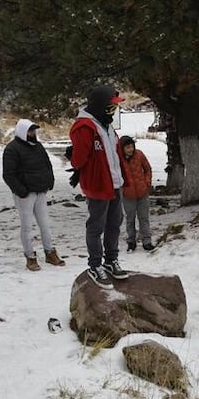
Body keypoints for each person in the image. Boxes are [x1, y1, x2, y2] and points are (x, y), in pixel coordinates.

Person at [69, 85, 132, 289]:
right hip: (98, 185)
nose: (113, 109)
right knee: (96, 226)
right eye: (111, 105)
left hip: (114, 183)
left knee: (115, 222)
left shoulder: (106, 124)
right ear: (100, 105)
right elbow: (79, 160)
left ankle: (111, 260)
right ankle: (95, 265)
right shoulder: (85, 127)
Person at [2, 119, 65, 271]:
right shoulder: (12, 149)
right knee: (27, 227)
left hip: (41, 191)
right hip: (25, 195)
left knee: (45, 225)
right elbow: (8, 174)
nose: (32, 134)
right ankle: (30, 256)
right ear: (23, 132)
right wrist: (21, 191)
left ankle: (50, 252)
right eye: (30, 131)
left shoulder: (38, 146)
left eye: (34, 131)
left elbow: (47, 164)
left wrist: (50, 181)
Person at [119, 135, 154, 251]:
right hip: (128, 195)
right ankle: (131, 241)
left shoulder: (139, 155)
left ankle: (147, 241)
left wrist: (147, 182)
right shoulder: (118, 159)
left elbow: (148, 169)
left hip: (142, 192)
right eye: (127, 147)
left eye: (131, 146)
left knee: (144, 218)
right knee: (130, 219)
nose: (130, 149)